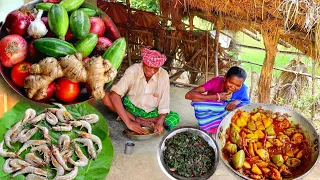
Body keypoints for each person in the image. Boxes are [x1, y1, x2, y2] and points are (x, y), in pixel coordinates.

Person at [102, 47, 180, 135]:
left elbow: (164, 103)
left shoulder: (163, 75)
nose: (152, 71)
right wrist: (129, 123)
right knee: (106, 97)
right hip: (130, 108)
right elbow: (114, 95)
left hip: (151, 113)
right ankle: (135, 119)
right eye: (150, 67)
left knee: (174, 118)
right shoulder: (133, 70)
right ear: (143, 63)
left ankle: (140, 119)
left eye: (156, 68)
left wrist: (159, 123)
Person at [185, 66, 250, 134]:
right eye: (231, 83)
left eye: (238, 85)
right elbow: (189, 95)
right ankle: (210, 127)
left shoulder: (243, 89)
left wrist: (236, 101)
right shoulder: (216, 81)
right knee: (198, 103)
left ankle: (226, 127)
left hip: (226, 112)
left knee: (242, 109)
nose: (233, 87)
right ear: (225, 78)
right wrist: (217, 97)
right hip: (213, 110)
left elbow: (247, 104)